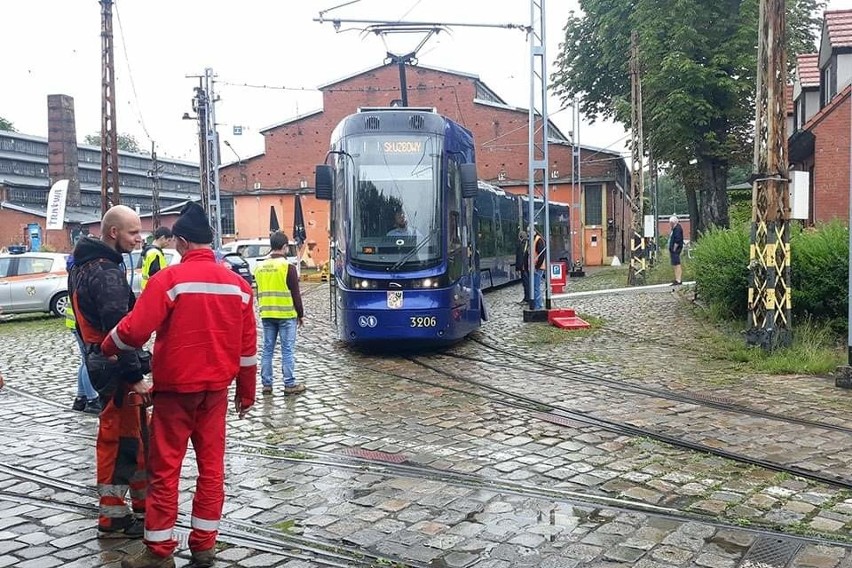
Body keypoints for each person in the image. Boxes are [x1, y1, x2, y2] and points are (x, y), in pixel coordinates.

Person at [101, 202, 257, 568]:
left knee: (165, 471)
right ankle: (204, 546)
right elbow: (248, 351)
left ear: (184, 242)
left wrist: (108, 346)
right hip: (215, 394)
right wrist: (246, 393)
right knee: (212, 470)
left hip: (175, 394)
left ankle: (159, 552)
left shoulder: (169, 282)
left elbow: (134, 330)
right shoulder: (239, 287)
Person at [69, 205, 149, 538]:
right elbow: (121, 333)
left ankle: (143, 505)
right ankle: (114, 517)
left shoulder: (85, 266)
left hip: (101, 365)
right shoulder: (106, 272)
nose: (139, 238)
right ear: (113, 233)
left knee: (135, 439)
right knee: (121, 440)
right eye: (133, 232)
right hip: (115, 370)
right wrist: (136, 376)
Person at [255, 231, 305, 396]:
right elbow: (295, 293)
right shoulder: (287, 267)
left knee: (267, 349)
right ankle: (289, 383)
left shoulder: (259, 267)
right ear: (284, 247)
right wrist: (300, 314)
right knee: (287, 349)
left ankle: (266, 384)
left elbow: (258, 292)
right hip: (286, 315)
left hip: (267, 314)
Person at [66, 255, 102, 414]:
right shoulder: (83, 274)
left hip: (74, 322)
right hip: (81, 323)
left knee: (84, 360)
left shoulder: (75, 272)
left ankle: (81, 398)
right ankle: (92, 399)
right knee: (89, 361)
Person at [141, 226, 173, 291]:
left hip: (146, 288)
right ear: (162, 238)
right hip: (152, 290)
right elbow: (155, 276)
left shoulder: (149, 251)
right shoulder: (155, 254)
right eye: (168, 240)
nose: (168, 244)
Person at [523, 228, 546, 309]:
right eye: (527, 232)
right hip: (532, 268)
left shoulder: (538, 240)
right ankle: (538, 304)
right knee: (534, 287)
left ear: (534, 231)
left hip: (537, 268)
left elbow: (541, 255)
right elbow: (527, 255)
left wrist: (537, 266)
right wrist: (526, 268)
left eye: (529, 231)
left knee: (536, 287)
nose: (528, 233)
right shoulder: (531, 241)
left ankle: (538, 305)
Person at [668, 215, 684, 286]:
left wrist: (674, 249)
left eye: (670, 223)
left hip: (676, 250)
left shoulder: (677, 229)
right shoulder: (675, 229)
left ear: (673, 222)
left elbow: (677, 239)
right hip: (673, 250)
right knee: (675, 264)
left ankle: (678, 279)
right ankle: (677, 279)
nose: (670, 224)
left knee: (677, 264)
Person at [515, 230, 529, 305]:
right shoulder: (527, 243)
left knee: (526, 283)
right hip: (525, 267)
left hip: (524, 267)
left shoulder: (521, 244)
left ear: (520, 237)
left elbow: (519, 257)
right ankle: (527, 298)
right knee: (526, 283)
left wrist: (518, 268)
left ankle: (527, 298)